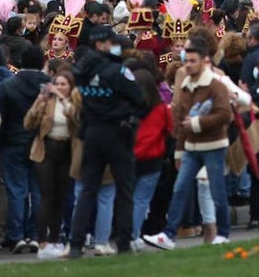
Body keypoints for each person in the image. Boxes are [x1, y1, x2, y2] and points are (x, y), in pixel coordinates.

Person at [143, 38, 231, 251]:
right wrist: (179, 151)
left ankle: (223, 233)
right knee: (180, 188)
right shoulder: (184, 85)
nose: (188, 64)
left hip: (212, 145)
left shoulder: (215, 85)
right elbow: (180, 118)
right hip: (190, 147)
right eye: (187, 60)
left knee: (217, 191)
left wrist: (198, 123)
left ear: (203, 61)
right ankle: (169, 234)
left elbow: (224, 114)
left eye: (192, 60)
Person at [70, 26, 144, 258]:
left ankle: (76, 243)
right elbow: (139, 98)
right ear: (102, 44)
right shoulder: (116, 70)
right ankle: (123, 240)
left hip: (91, 132)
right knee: (124, 188)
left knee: (87, 189)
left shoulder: (81, 71)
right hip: (117, 132)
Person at [23, 68, 81, 259]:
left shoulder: (74, 101)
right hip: (45, 151)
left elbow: (77, 118)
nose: (59, 87)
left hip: (66, 151)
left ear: (70, 86)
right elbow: (28, 123)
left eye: (63, 84)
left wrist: (63, 99)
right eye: (56, 84)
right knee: (46, 196)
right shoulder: (46, 102)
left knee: (60, 198)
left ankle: (56, 239)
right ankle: (42, 241)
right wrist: (38, 101)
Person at [0, 46, 49, 254]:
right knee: (38, 191)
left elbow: (2, 117)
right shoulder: (49, 86)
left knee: (16, 191)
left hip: (13, 142)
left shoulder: (9, 84)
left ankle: (16, 235)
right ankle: (36, 234)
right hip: (41, 143)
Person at [129, 68, 172, 249]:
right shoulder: (161, 108)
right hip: (153, 157)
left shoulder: (126, 107)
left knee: (127, 198)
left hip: (129, 157)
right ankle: (133, 234)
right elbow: (170, 130)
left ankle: (125, 232)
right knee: (141, 199)